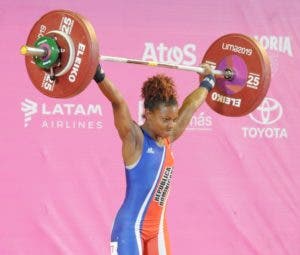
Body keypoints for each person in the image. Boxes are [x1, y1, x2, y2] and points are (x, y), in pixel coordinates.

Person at [94, 63, 215, 255]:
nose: (171, 125)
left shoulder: (169, 137)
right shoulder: (135, 139)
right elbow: (118, 102)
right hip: (129, 229)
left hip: (157, 230)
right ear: (148, 114)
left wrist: (208, 81)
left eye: (174, 119)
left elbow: (191, 105)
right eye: (165, 120)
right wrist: (97, 74)